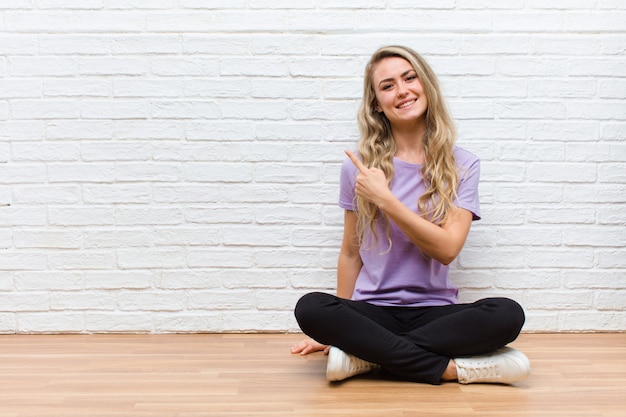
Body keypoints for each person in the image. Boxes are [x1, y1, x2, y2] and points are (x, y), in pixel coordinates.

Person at [291, 45, 531, 385]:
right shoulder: (358, 167)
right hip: (372, 312)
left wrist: (385, 200)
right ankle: (449, 368)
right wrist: (335, 329)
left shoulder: (462, 164)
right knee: (310, 307)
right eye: (387, 85)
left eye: (409, 78)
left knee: (507, 314)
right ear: (376, 102)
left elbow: (447, 249)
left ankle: (365, 357)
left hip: (435, 314)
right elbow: (350, 252)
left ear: (426, 85)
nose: (402, 90)